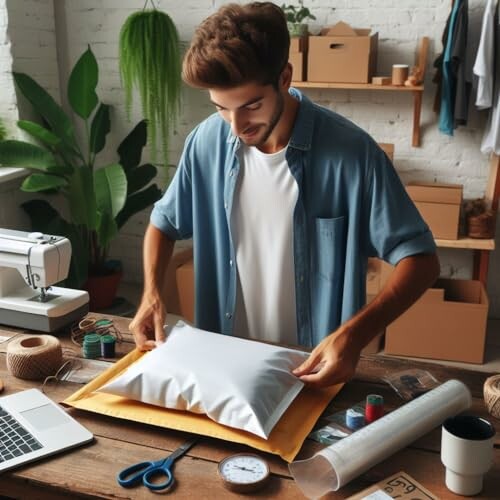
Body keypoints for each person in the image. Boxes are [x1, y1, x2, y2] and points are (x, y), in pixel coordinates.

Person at [129, 2, 440, 387]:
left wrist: (354, 335)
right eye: (221, 108)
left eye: (251, 106)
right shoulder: (205, 142)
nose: (237, 125)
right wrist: (152, 294)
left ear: (285, 77)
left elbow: (421, 261)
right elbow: (164, 223)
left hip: (313, 371)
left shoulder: (353, 154)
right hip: (223, 366)